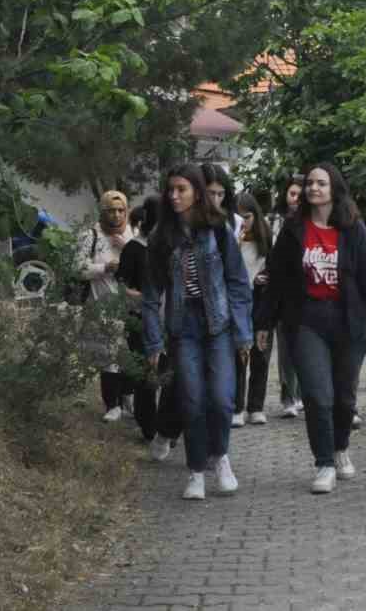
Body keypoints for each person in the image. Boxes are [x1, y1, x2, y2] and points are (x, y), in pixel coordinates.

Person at [255, 163, 366, 494]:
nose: (313, 188)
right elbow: (276, 279)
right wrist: (264, 321)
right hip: (307, 321)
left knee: (344, 398)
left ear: (334, 189)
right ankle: (324, 463)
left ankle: (340, 447)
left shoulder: (353, 229)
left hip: (348, 322)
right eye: (309, 184)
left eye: (320, 183)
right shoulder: (293, 229)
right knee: (318, 395)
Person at [141, 163, 254, 501]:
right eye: (170, 190)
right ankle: (195, 472)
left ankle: (220, 457)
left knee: (221, 399)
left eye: (182, 189)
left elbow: (237, 282)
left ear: (197, 192)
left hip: (217, 325)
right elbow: (150, 296)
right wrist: (154, 342)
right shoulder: (161, 237)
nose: (175, 196)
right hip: (182, 329)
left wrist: (243, 333)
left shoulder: (218, 228)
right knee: (191, 400)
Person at [119, 198, 181, 452]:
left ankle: (167, 428)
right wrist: (148, 299)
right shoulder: (134, 248)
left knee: (170, 378)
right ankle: (149, 427)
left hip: (171, 320)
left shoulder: (176, 247)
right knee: (147, 376)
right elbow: (123, 287)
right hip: (141, 320)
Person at [76, 190, 131, 421]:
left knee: (128, 353)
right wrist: (104, 268)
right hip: (101, 304)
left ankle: (128, 399)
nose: (116, 215)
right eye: (111, 210)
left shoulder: (132, 232)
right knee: (107, 356)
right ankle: (112, 405)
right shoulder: (90, 236)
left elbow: (145, 262)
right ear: (103, 211)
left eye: (121, 210)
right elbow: (77, 268)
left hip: (130, 305)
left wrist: (127, 247)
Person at [232, 192, 272, 427]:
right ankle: (237, 406)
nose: (243, 223)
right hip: (238, 303)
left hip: (261, 302)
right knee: (239, 355)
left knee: (261, 354)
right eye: (238, 218)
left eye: (246, 217)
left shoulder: (266, 239)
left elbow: (273, 269)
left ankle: (255, 406)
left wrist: (263, 278)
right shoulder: (230, 238)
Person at [270, 173, 305, 419]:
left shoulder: (316, 222)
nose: (295, 199)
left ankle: (303, 394)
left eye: (300, 196)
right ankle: (288, 397)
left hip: (308, 294)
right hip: (282, 293)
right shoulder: (273, 221)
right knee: (286, 349)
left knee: (306, 348)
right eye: (292, 194)